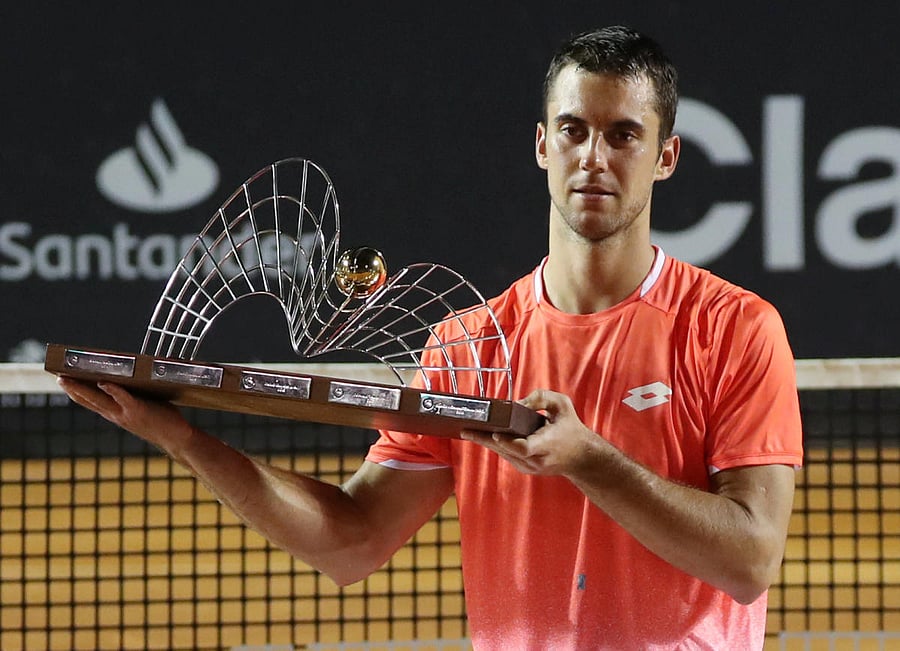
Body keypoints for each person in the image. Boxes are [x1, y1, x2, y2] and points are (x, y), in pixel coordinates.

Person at [59, 25, 803, 649]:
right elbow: (350, 540)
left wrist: (591, 461)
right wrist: (185, 438)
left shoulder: (735, 328)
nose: (594, 157)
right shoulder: (466, 346)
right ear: (543, 145)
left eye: (623, 135)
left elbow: (750, 556)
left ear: (665, 157)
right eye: (574, 130)